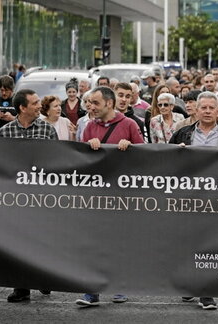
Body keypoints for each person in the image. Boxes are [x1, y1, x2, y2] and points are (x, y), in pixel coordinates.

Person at [169, 91, 218, 312]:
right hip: (188, 199)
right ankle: (191, 284)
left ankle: (206, 292)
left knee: (210, 245)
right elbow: (166, 165)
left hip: (217, 201)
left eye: (212, 108)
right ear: (196, 109)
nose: (208, 111)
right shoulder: (182, 134)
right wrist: (176, 154)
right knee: (188, 243)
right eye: (204, 108)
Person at [75, 86, 143, 308]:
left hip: (122, 195)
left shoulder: (129, 125)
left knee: (119, 242)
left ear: (109, 103)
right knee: (94, 243)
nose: (90, 107)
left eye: (95, 103)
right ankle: (92, 292)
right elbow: (82, 162)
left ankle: (119, 285)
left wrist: (131, 147)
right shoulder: (88, 127)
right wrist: (88, 147)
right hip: (97, 195)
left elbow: (145, 158)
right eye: (89, 103)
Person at [0, 89, 58, 302]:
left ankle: (42, 278)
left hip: (42, 198)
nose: (38, 106)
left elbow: (58, 161)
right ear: (22, 108)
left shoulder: (47, 130)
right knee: (17, 243)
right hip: (15, 199)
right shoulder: (4, 132)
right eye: (34, 103)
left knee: (42, 240)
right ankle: (21, 288)